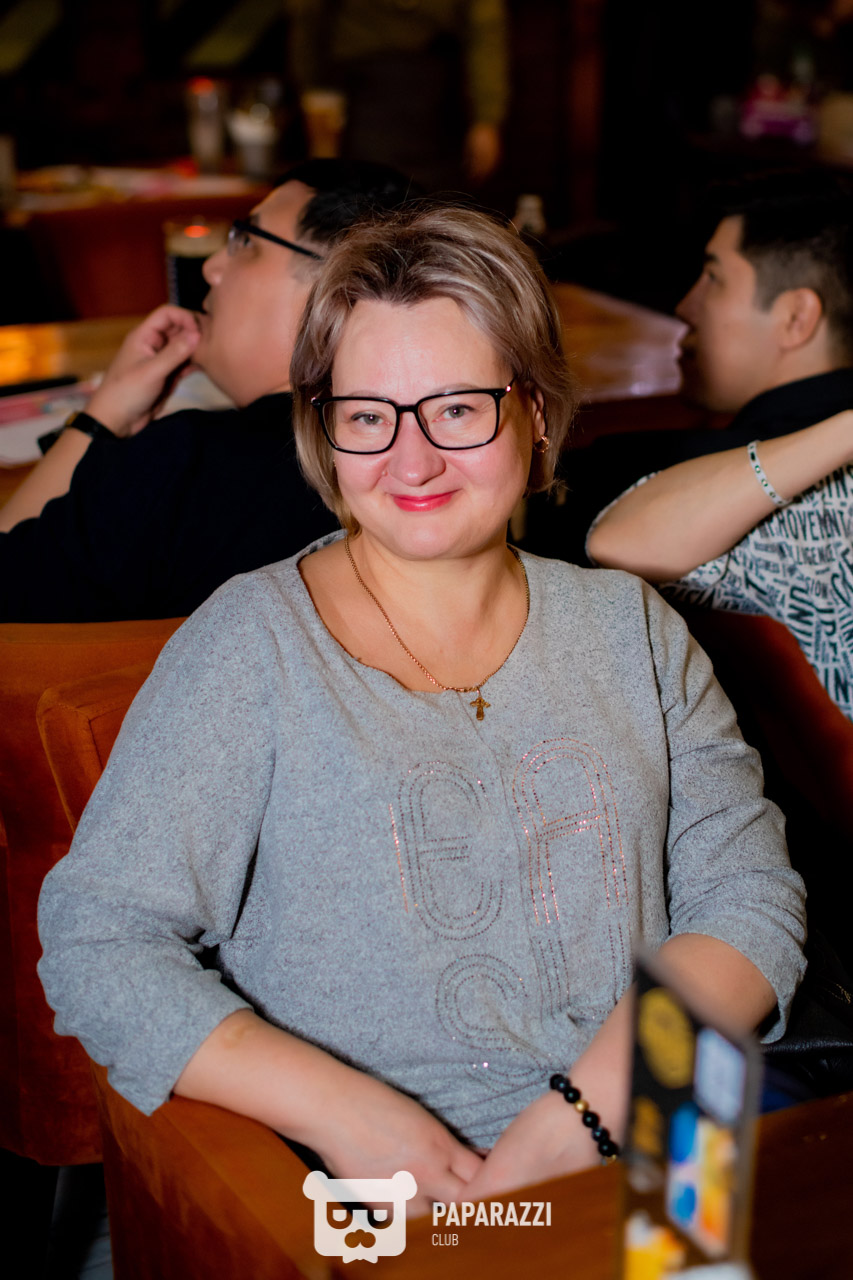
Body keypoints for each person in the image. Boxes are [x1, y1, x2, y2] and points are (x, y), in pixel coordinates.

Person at [38, 205, 806, 1216]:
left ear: (535, 410)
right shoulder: (251, 646)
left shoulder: (633, 630)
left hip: (655, 1150)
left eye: (455, 409)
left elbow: (748, 901)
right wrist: (346, 1115)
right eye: (368, 416)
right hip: (378, 1199)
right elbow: (99, 938)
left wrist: (583, 1116)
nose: (411, 462)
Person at [0, 159, 417, 622]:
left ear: (335, 285)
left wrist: (103, 415)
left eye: (246, 242)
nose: (214, 266)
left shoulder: (181, 465)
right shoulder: (419, 463)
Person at [586, 172, 853, 719]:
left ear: (796, 317)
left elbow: (614, 543)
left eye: (714, 278)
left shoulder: (660, 480)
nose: (686, 306)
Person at [286, 0, 508, 191]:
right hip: (364, 93)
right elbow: (310, 16)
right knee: (367, 199)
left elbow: (485, 28)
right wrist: (315, 94)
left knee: (433, 205)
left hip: (438, 95)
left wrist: (486, 117)